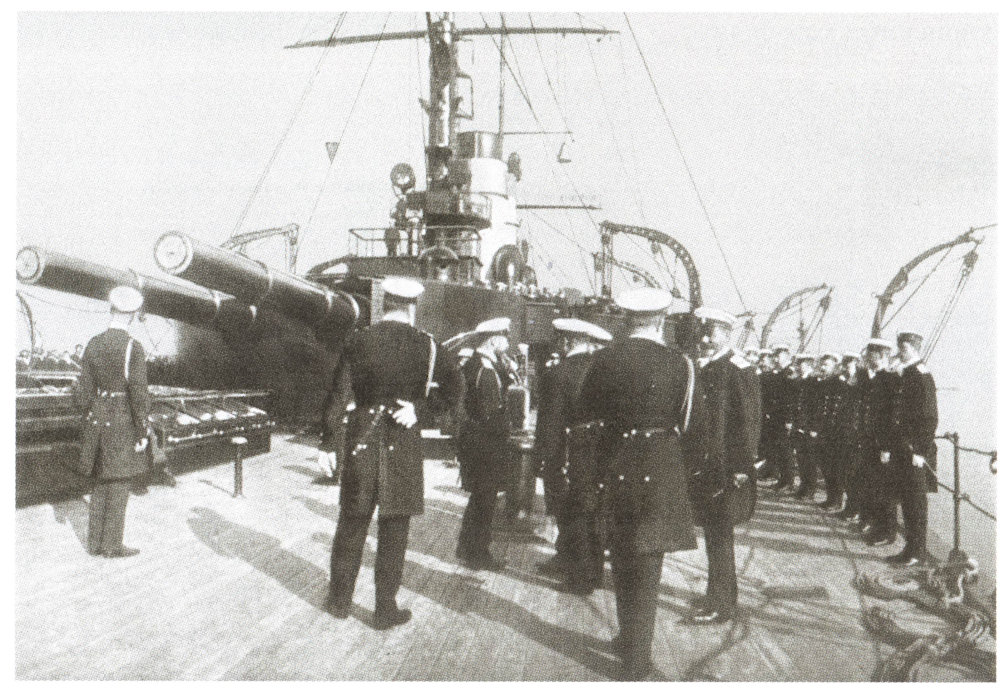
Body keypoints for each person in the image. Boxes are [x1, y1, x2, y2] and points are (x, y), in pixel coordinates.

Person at [320, 277, 464, 628]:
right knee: (395, 528)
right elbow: (456, 388)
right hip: (403, 441)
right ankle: (385, 608)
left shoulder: (359, 340)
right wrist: (423, 410)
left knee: (352, 522)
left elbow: (338, 395)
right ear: (413, 307)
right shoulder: (429, 347)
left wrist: (327, 443)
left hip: (361, 440)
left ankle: (339, 601)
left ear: (384, 304)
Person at [577, 287, 700, 681]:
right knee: (648, 565)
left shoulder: (604, 358)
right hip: (661, 467)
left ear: (628, 318)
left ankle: (627, 638)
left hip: (615, 464)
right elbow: (692, 427)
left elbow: (584, 415)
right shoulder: (681, 364)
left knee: (622, 554)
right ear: (662, 319)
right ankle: (635, 657)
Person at [686, 307, 762, 625]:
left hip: (726, 469)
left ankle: (722, 604)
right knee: (714, 536)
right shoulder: (709, 366)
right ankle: (715, 595)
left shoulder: (737, 368)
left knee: (720, 537)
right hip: (707, 468)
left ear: (727, 333)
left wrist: (742, 468)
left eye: (712, 332)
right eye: (703, 332)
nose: (705, 339)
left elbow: (748, 421)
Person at [532, 318, 611, 593]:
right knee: (593, 511)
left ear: (566, 342)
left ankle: (580, 578)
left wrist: (541, 457)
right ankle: (588, 569)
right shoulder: (600, 369)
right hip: (598, 450)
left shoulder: (558, 374)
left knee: (570, 511)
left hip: (567, 449)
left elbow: (549, 422)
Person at [74, 285, 152, 558]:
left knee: (99, 481)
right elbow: (139, 392)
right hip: (122, 421)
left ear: (111, 310)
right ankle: (112, 545)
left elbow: (83, 390)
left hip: (97, 418)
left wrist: (88, 415)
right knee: (119, 482)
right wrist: (143, 429)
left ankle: (94, 543)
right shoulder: (133, 347)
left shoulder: (93, 343)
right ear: (131, 316)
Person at [456, 317, 514, 571]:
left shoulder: (478, 364)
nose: (508, 342)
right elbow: (491, 413)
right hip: (486, 445)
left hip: (475, 443)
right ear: (493, 340)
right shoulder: (485, 371)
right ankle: (477, 552)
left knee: (480, 499)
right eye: (505, 338)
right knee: (485, 501)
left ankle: (467, 546)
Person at [881, 331, 938, 566]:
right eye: (900, 348)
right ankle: (910, 549)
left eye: (903, 349)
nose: (899, 353)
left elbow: (929, 417)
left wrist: (920, 452)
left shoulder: (921, 376)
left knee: (916, 504)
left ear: (915, 350)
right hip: (901, 450)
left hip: (914, 452)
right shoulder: (904, 374)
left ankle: (917, 553)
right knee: (906, 501)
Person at [854, 338, 898, 546]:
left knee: (884, 489)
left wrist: (886, 447)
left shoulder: (891, 380)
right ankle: (874, 525)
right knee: (870, 485)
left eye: (870, 355)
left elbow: (891, 417)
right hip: (869, 440)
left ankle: (887, 533)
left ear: (881, 356)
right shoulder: (872, 378)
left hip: (882, 444)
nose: (866, 358)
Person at [816, 352, 845, 511]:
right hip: (824, 430)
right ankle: (830, 498)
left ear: (835, 366)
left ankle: (836, 500)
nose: (822, 367)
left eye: (826, 365)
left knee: (835, 467)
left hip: (835, 432)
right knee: (826, 466)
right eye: (822, 364)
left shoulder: (839, 383)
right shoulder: (824, 382)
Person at [791, 354, 822, 500]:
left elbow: (816, 407)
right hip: (798, 424)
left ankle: (810, 488)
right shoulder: (798, 381)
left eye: (803, 364)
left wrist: (813, 427)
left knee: (810, 459)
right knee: (801, 457)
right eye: (799, 364)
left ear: (809, 366)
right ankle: (803, 486)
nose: (800, 366)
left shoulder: (814, 382)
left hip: (809, 426)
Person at [768, 344, 797, 492]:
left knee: (785, 450)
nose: (775, 359)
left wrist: (789, 419)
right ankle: (783, 479)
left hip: (785, 418)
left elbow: (791, 399)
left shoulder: (789, 372)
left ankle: (788, 481)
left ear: (786, 356)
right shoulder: (781, 372)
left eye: (778, 356)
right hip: (777, 416)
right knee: (779, 448)